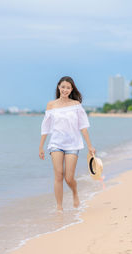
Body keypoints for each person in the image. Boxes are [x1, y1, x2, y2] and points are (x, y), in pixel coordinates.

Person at [39, 76, 96, 212]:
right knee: (58, 174)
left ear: (71, 90)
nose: (65, 90)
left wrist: (90, 146)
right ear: (59, 87)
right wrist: (41, 146)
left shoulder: (76, 105)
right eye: (63, 87)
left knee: (69, 178)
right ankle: (59, 207)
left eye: (68, 88)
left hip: (73, 144)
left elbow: (83, 127)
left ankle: (75, 192)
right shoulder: (51, 105)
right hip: (56, 144)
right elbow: (45, 127)